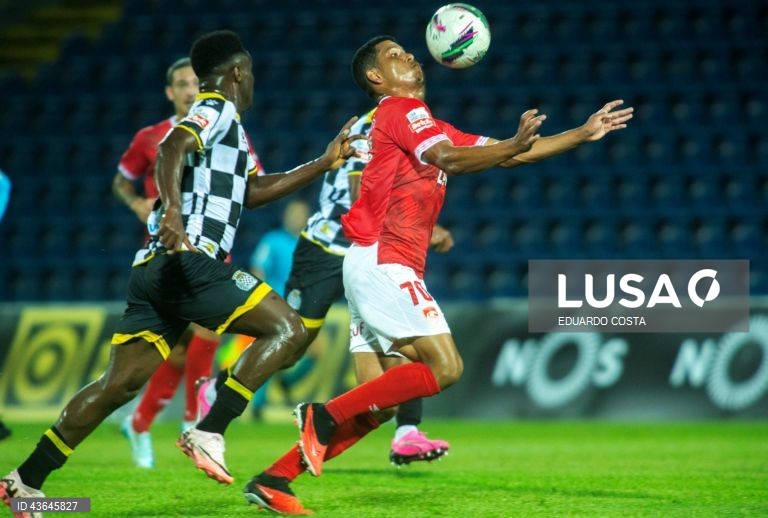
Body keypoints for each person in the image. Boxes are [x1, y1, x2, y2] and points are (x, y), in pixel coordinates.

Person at [242, 35, 633, 514]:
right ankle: (321, 416)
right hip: (386, 260)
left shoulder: (424, 123)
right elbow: (450, 159)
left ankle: (274, 478)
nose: (408, 55)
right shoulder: (400, 111)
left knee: (380, 406)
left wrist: (579, 133)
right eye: (393, 55)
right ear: (375, 77)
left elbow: (508, 154)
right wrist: (511, 141)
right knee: (446, 367)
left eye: (406, 50)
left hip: (369, 263)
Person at [0, 30, 361, 508]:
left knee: (118, 384)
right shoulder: (217, 107)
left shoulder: (233, 132)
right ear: (237, 73)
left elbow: (252, 192)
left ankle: (24, 482)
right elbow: (171, 148)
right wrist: (172, 209)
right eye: (250, 73)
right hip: (191, 259)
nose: (252, 83)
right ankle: (209, 428)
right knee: (290, 331)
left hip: (152, 268)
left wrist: (322, 163)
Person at [112, 57, 226, 469]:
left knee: (193, 342)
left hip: (211, 246)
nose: (190, 89)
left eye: (196, 82)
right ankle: (183, 423)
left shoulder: (222, 128)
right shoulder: (151, 137)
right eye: (181, 83)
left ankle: (147, 424)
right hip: (167, 249)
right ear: (169, 92)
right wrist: (137, 203)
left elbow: (250, 179)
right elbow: (121, 179)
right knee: (184, 345)